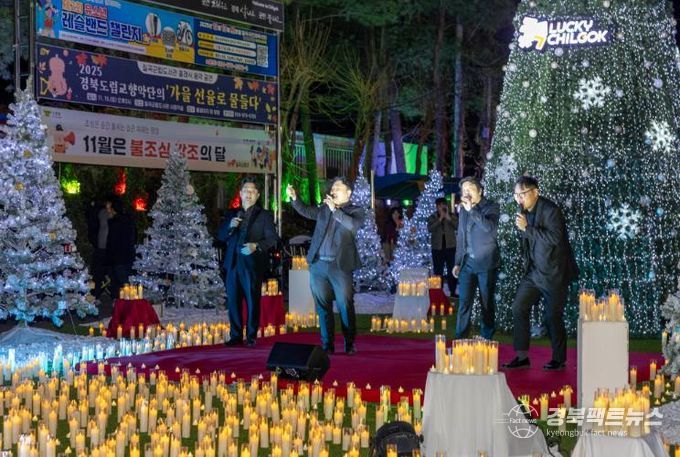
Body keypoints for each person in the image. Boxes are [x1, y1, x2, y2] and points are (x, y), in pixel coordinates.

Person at [502, 176, 579, 371]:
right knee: (518, 306)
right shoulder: (524, 212)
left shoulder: (551, 210)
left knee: (553, 316)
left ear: (535, 192)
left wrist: (527, 229)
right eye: (516, 195)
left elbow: (554, 238)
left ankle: (559, 359)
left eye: (523, 194)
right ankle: (522, 356)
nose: (519, 199)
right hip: (534, 273)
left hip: (554, 273)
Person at [287, 177, 365, 355]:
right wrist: (295, 198)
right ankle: (327, 344)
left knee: (345, 304)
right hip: (319, 264)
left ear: (348, 192)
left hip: (340, 266)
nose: (333, 190)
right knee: (322, 305)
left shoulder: (355, 211)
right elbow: (307, 211)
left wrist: (334, 210)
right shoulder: (324, 209)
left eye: (338, 187)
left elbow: (352, 225)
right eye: (333, 188)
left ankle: (349, 343)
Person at [218, 177, 278, 347]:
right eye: (246, 191)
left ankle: (251, 336)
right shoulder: (232, 214)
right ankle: (235, 336)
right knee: (233, 301)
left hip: (251, 265)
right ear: (240, 193)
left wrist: (256, 246)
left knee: (252, 300)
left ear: (257, 195)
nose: (248, 194)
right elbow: (220, 236)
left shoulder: (264, 215)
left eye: (252, 191)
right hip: (232, 264)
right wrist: (230, 226)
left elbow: (272, 239)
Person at [452, 177, 500, 340]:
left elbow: (490, 228)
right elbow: (461, 237)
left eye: (470, 189)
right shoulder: (463, 210)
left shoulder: (491, 207)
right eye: (464, 190)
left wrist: (472, 210)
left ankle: (487, 336)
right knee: (464, 302)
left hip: (486, 263)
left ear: (480, 190)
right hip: (467, 263)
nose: (466, 193)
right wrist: (457, 262)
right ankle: (460, 338)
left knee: (486, 302)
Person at [106, 198, 137, 299]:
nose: (108, 211)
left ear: (114, 210)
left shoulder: (114, 223)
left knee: (120, 283)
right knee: (128, 283)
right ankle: (131, 302)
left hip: (118, 257)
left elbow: (112, 242)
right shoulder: (130, 221)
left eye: (109, 208)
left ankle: (121, 303)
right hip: (129, 255)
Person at [427, 197, 458, 297]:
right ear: (437, 207)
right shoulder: (432, 217)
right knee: (438, 271)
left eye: (444, 205)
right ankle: (437, 293)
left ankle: (453, 291)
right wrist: (440, 218)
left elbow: (457, 226)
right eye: (440, 205)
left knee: (452, 270)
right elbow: (430, 228)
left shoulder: (452, 215)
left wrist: (448, 218)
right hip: (437, 248)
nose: (442, 207)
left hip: (450, 247)